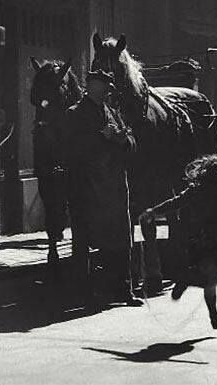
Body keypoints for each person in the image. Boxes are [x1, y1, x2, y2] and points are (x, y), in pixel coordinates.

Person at [139, 153, 217, 330]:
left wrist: (153, 212)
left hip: (197, 238)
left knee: (209, 277)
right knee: (211, 280)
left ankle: (211, 312)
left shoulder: (194, 190)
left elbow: (175, 203)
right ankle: (189, 284)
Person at [64, 69, 143, 307]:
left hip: (115, 187)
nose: (105, 90)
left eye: (106, 86)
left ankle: (123, 290)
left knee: (120, 239)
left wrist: (122, 140)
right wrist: (102, 137)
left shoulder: (113, 113)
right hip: (87, 188)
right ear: (88, 87)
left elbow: (132, 144)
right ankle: (85, 293)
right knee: (84, 241)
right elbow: (70, 149)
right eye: (100, 86)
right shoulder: (74, 114)